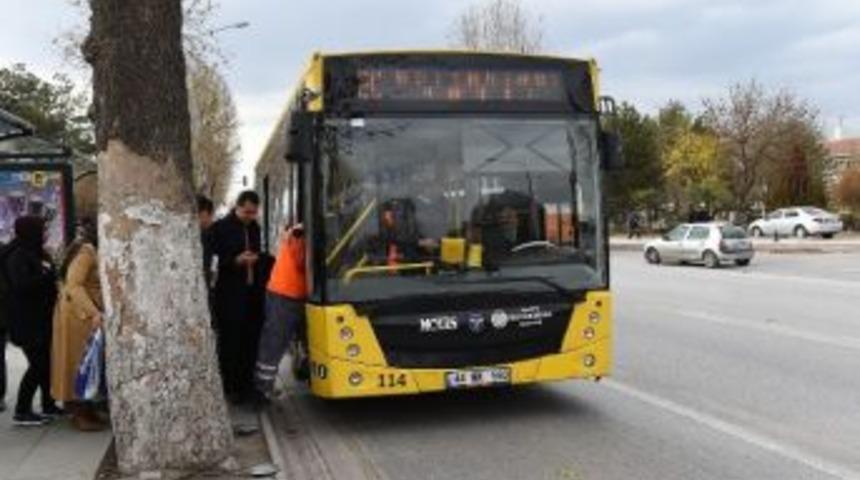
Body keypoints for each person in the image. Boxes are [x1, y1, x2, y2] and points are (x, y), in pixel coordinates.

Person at [208, 191, 270, 403]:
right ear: (237, 207)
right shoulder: (219, 228)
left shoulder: (255, 228)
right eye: (246, 212)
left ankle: (248, 385)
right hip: (229, 296)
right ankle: (231, 387)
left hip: (252, 294)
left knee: (251, 341)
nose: (250, 216)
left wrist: (257, 259)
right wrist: (235, 261)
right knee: (231, 342)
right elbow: (213, 262)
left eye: (253, 212)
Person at [3, 216, 61, 426]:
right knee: (38, 365)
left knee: (46, 364)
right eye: (42, 229)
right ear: (31, 231)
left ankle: (48, 405)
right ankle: (22, 411)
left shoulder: (35, 252)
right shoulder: (18, 255)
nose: (45, 233)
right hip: (26, 321)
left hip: (40, 319)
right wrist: (48, 276)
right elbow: (21, 285)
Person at [51, 219, 106, 432]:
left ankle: (86, 409)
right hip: (79, 316)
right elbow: (74, 285)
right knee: (78, 362)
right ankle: (78, 412)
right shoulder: (86, 252)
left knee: (86, 362)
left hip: (81, 314)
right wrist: (94, 312)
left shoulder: (88, 250)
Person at [255, 224, 307, 399]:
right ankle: (263, 387)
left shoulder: (298, 231)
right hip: (286, 293)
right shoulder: (300, 234)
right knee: (275, 340)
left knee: (277, 339)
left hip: (287, 292)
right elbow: (301, 262)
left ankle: (264, 385)